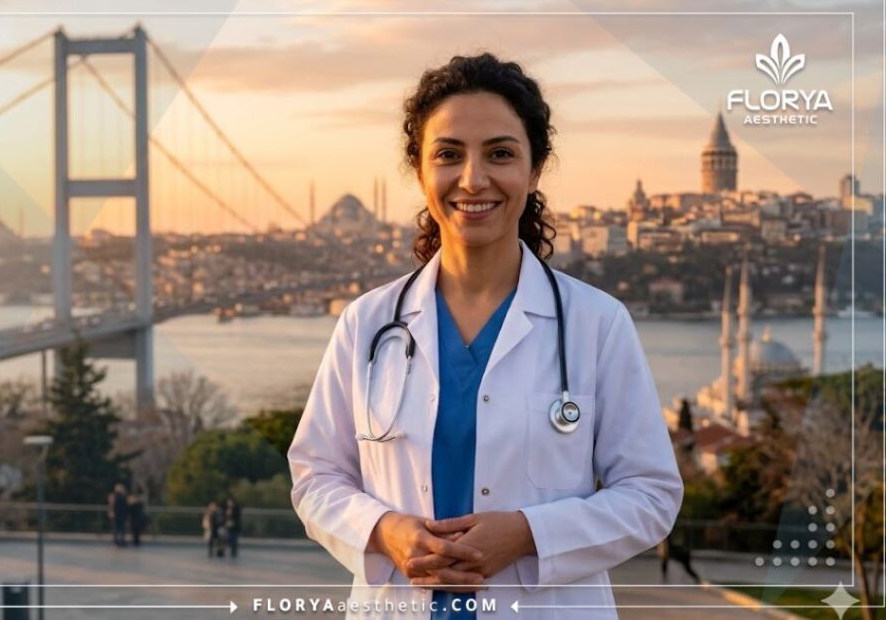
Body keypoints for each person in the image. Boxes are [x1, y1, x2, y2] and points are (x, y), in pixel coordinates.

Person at [287, 53, 683, 619]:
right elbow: (316, 477)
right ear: (420, 171)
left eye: (500, 153)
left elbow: (651, 495)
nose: (473, 179)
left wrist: (528, 534)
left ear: (534, 168)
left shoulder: (597, 323)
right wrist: (383, 530)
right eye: (449, 155)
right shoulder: (368, 324)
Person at [107, 483, 128, 547]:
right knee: (115, 529)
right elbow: (111, 505)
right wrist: (111, 512)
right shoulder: (113, 496)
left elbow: (126, 505)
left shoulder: (124, 496)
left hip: (122, 515)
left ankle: (122, 541)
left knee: (122, 529)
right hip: (115, 515)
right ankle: (115, 541)